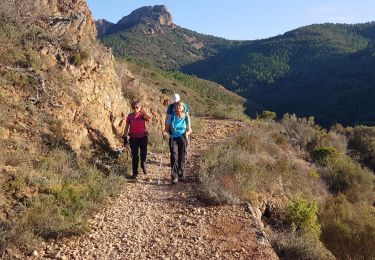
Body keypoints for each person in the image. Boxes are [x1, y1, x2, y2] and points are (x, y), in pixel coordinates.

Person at [165, 101, 192, 184]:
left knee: (182, 156)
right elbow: (167, 128)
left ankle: (181, 174)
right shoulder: (172, 116)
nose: (178, 107)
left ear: (183, 108)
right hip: (173, 138)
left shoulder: (186, 117)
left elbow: (190, 129)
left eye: (180, 106)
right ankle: (174, 176)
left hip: (183, 138)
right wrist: (164, 132)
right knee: (174, 156)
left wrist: (187, 133)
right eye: (177, 106)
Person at [123, 101, 151, 180]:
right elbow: (127, 126)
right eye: (133, 108)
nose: (135, 109)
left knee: (144, 152)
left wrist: (144, 112)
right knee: (135, 155)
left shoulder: (143, 115)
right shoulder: (130, 116)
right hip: (133, 138)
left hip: (143, 137)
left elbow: (149, 118)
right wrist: (125, 137)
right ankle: (135, 173)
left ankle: (143, 163)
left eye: (137, 107)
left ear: (140, 107)